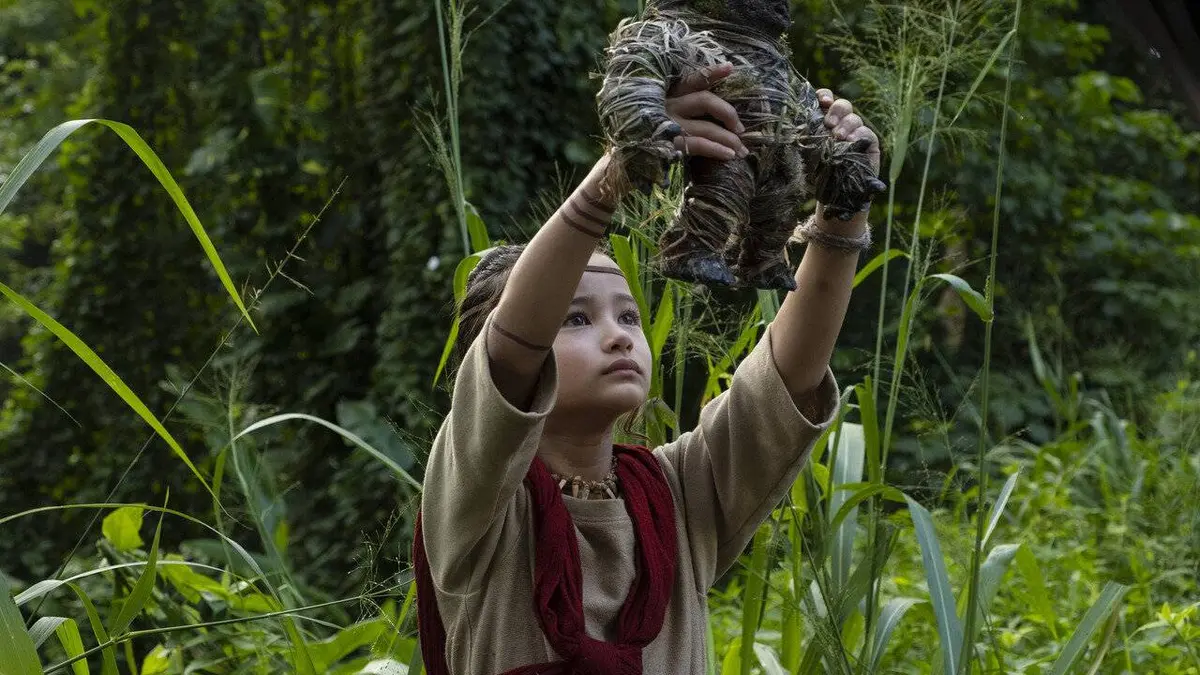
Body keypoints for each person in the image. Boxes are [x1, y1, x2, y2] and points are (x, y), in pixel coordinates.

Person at [412, 61, 881, 674]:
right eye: (575, 319)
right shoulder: (475, 504)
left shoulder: (678, 499)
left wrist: (844, 209)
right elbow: (514, 344)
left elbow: (786, 379)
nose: (618, 336)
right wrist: (625, 163)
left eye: (629, 316)